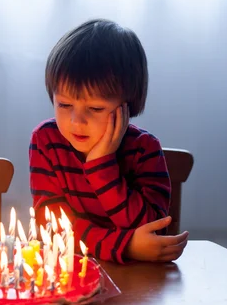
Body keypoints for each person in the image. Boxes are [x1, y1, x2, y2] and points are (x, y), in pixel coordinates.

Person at [30, 19, 188, 263]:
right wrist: (126, 246)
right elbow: (53, 229)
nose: (76, 121)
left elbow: (152, 230)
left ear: (128, 105)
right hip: (69, 273)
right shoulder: (46, 141)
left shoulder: (144, 150)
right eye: (64, 104)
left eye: (94, 108)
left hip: (136, 282)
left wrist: (101, 165)